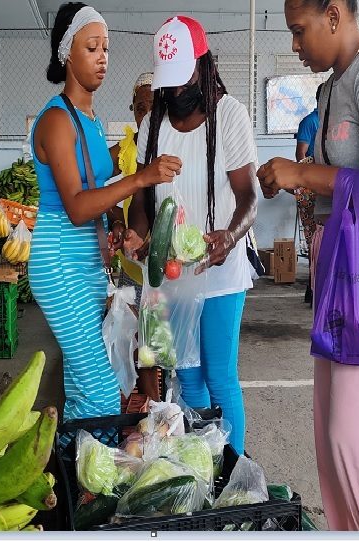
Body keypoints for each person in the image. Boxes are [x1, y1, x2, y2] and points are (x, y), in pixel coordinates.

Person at [257, 0, 359, 531]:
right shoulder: (334, 85)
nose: (295, 44)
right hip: (345, 261)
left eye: (299, 30)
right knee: (333, 439)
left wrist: (303, 174)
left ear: (334, 15)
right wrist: (299, 175)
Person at [28, 2, 180, 421]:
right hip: (60, 264)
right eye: (91, 47)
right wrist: (140, 178)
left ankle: (74, 476)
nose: (102, 58)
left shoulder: (89, 119)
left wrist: (114, 223)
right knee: (98, 388)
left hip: (88, 263)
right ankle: (82, 469)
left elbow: (96, 190)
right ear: (66, 54)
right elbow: (76, 207)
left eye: (106, 48)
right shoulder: (58, 120)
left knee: (83, 385)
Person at [124, 15, 258, 455]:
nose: (177, 91)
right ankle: (206, 462)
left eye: (184, 79)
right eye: (170, 82)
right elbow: (143, 199)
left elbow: (248, 198)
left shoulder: (231, 116)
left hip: (218, 272)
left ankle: (233, 469)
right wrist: (136, 234)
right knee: (188, 375)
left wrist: (230, 237)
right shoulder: (153, 124)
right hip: (170, 273)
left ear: (202, 65)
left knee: (220, 376)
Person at [109, 72, 160, 402]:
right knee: (137, 335)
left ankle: (159, 402)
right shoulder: (124, 150)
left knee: (159, 338)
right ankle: (142, 403)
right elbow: (99, 187)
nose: (147, 113)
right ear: (133, 110)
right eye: (140, 107)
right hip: (133, 261)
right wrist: (115, 222)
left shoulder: (175, 142)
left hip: (169, 263)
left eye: (154, 105)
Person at [295, 84, 323, 304]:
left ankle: (318, 286)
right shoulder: (311, 121)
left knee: (321, 237)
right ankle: (314, 287)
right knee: (315, 237)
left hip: (327, 184)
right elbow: (301, 154)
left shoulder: (336, 121)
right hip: (312, 185)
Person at [295, 84, 322, 161]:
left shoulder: (333, 119)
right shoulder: (309, 121)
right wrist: (305, 172)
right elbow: (300, 153)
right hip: (315, 169)